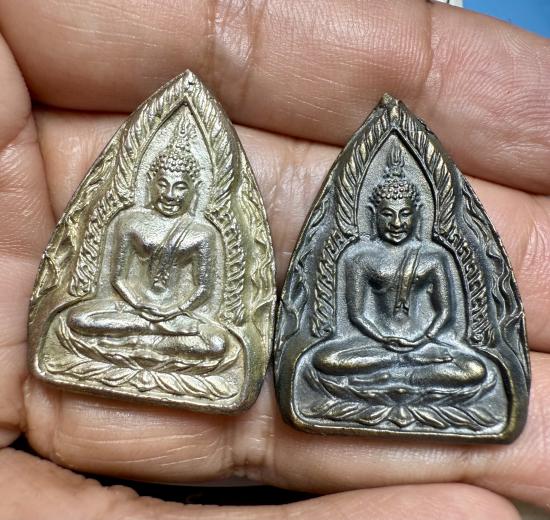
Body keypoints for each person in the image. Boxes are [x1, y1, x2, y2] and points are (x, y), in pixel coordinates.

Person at [1, 1, 549, 518]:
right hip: (144, 318)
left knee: (472, 368)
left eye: (407, 215)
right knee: (83, 323)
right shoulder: (134, 223)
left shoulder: (432, 255)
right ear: (375, 213)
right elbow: (355, 315)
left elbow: (448, 318)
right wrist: (149, 311)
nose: (398, 223)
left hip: (419, 349)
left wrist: (413, 340)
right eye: (389, 214)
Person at [66, 138, 227, 358]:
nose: (169, 195)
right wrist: (139, 305)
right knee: (77, 319)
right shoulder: (130, 222)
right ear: (150, 181)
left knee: (217, 342)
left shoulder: (202, 233)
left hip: (176, 314)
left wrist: (174, 310)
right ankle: (155, 339)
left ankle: (131, 342)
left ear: (195, 188)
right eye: (163, 184)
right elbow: (118, 279)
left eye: (180, 187)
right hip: (132, 308)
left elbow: (203, 288)